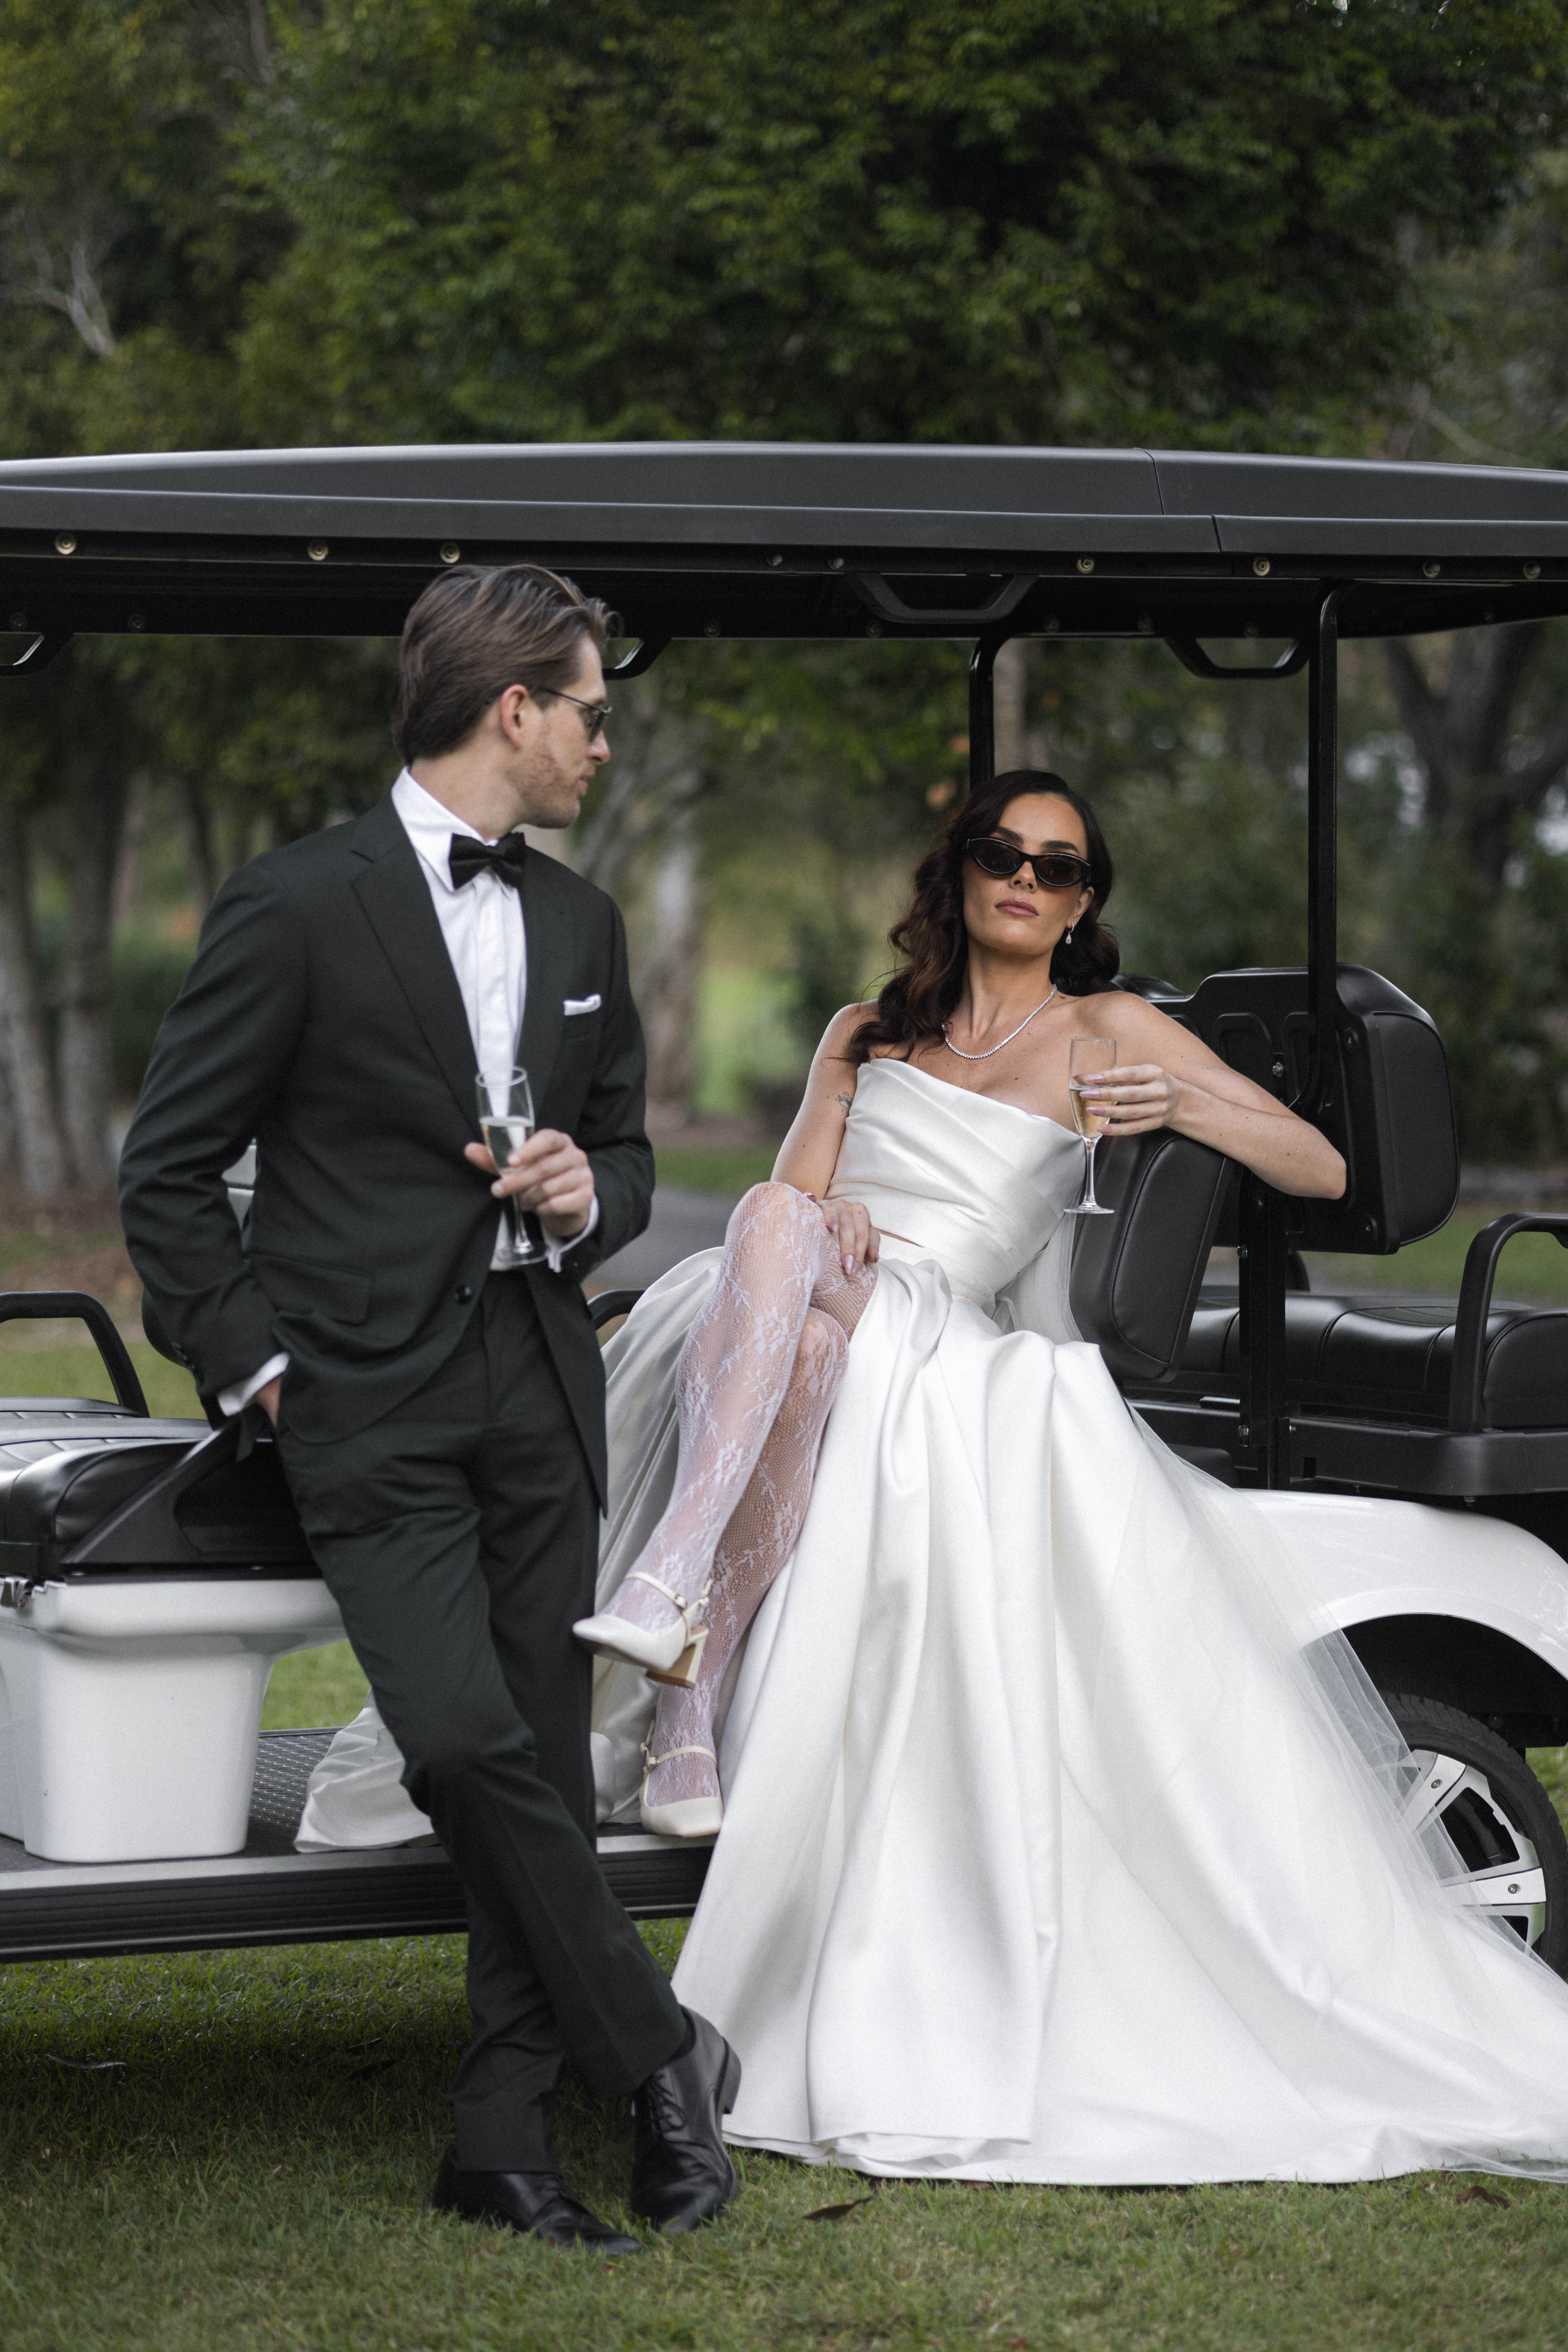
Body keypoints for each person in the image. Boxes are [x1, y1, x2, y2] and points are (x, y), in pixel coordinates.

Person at [575, 768, 1568, 2183]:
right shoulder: (870, 1028)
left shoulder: (1106, 1024)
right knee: (777, 1245)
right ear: (961, 872)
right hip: (803, 1301)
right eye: (1003, 852)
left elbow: (1313, 1157)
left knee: (793, 1299)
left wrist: (1178, 1096)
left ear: (1084, 899)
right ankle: (685, 1635)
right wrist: (833, 1206)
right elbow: (796, 1191)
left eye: (1059, 865)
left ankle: (679, 1625)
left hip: (943, 1327)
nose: (1027, 879)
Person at [118, 563, 740, 2252]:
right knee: (462, 1744)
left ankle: (500, 2140)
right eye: (593, 712)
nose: (607, 743)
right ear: (514, 709)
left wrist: (581, 1192)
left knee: (531, 1757)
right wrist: (258, 1367)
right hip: (363, 1404)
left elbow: (625, 1158)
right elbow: (168, 1176)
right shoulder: (295, 902)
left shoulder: (589, 925)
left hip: (543, 1386)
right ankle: (659, 2056)